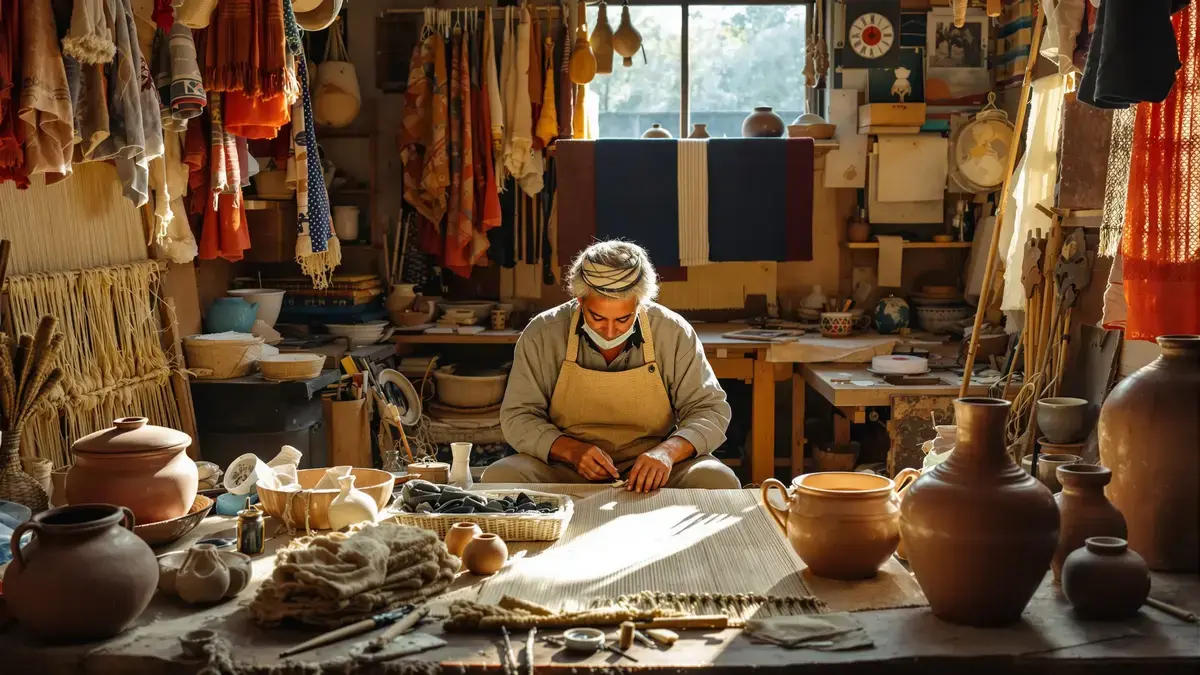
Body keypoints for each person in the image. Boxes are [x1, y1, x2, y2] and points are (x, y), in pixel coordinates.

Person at [484, 240, 740, 492]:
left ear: (640, 304)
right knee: (500, 476)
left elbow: (710, 410)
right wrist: (571, 451)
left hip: (652, 470)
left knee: (718, 480)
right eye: (597, 317)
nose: (608, 331)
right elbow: (517, 416)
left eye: (623, 319)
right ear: (580, 301)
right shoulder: (543, 333)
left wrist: (667, 453)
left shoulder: (672, 332)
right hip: (565, 468)